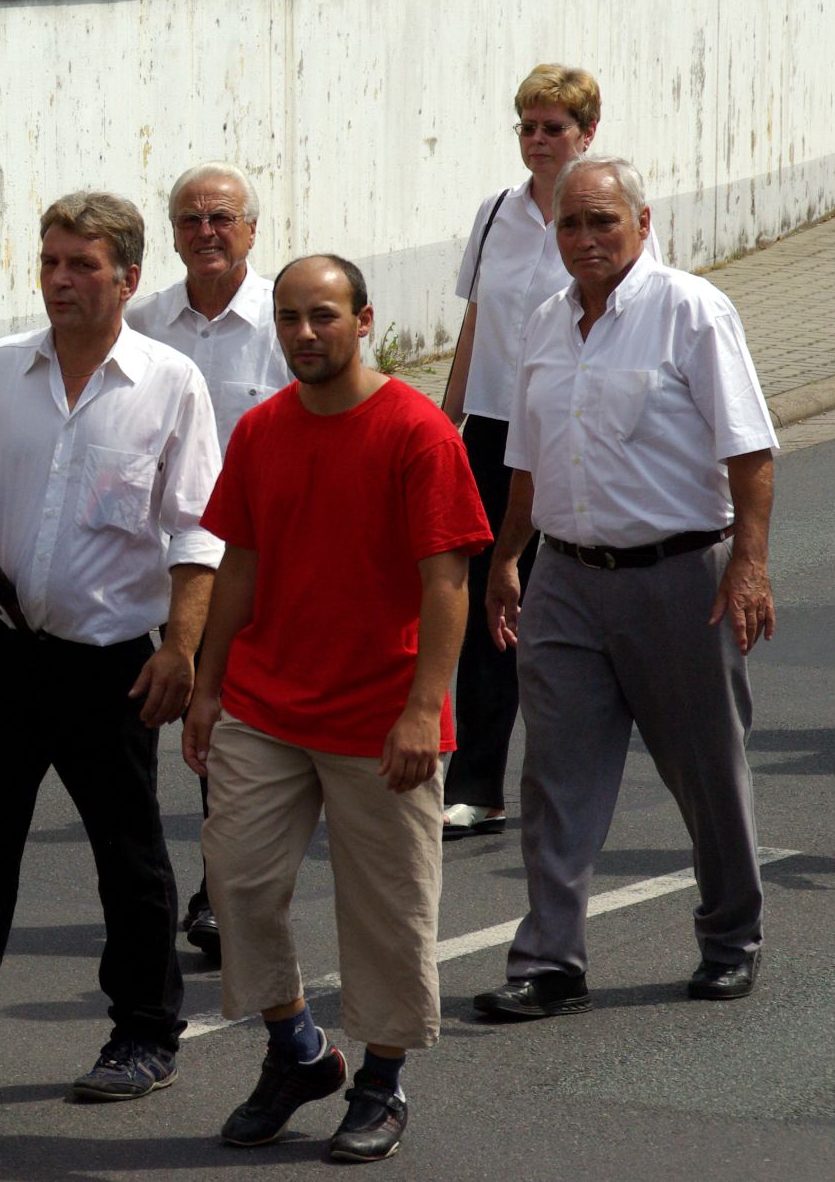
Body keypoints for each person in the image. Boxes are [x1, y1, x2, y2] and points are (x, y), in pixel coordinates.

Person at [0, 191, 223, 1116]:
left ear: (127, 278)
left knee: (130, 860)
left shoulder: (170, 384)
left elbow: (195, 536)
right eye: (51, 261)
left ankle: (144, 1033)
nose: (61, 280)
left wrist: (182, 650)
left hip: (114, 665)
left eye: (83, 265)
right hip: (6, 656)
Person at [186, 255, 489, 1164]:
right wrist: (205, 685)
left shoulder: (418, 432)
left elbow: (448, 581)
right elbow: (238, 561)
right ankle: (297, 1051)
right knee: (234, 884)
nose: (304, 334)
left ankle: (383, 1083)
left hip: (381, 717)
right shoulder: (261, 430)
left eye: (323, 316)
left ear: (364, 321)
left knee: (389, 911)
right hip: (266, 702)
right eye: (288, 318)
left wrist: (420, 709)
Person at [474, 155, 777, 1018]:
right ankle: (549, 961)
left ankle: (730, 937)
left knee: (706, 771)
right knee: (555, 774)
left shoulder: (691, 310)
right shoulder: (543, 319)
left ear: (644, 225)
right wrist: (506, 558)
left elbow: (749, 452)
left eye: (603, 221)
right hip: (565, 577)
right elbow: (526, 458)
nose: (585, 239)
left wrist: (749, 566)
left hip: (682, 578)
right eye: (571, 223)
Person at [436, 65, 660, 841]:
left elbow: (642, 318)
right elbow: (475, 324)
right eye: (528, 126)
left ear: (587, 133)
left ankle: (584, 765)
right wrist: (447, 419)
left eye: (554, 127)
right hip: (494, 429)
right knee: (480, 605)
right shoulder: (496, 213)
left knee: (558, 598)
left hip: (570, 428)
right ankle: (476, 784)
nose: (538, 140)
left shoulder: (605, 215)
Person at [127, 160, 291, 959]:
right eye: (190, 220)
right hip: (170, 558)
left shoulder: (285, 318)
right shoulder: (147, 321)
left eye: (222, 217)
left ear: (252, 229)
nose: (207, 233)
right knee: (195, 724)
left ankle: (228, 886)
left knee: (238, 731)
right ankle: (203, 885)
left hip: (266, 558)